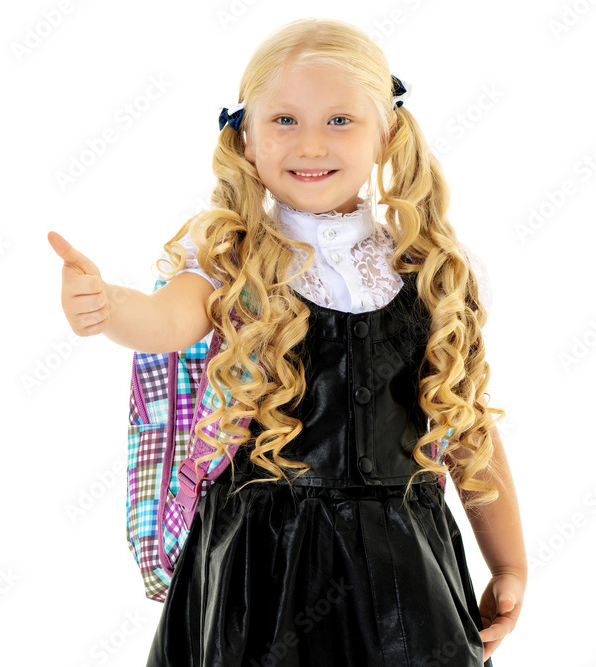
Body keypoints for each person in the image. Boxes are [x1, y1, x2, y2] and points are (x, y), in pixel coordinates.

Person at [48, 17, 526, 667]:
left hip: (402, 576)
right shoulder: (231, 260)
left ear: (387, 134)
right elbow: (166, 322)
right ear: (245, 138)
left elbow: (466, 424)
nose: (310, 143)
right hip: (259, 573)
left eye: (339, 120)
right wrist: (108, 308)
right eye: (284, 120)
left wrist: (509, 564)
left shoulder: (430, 270)